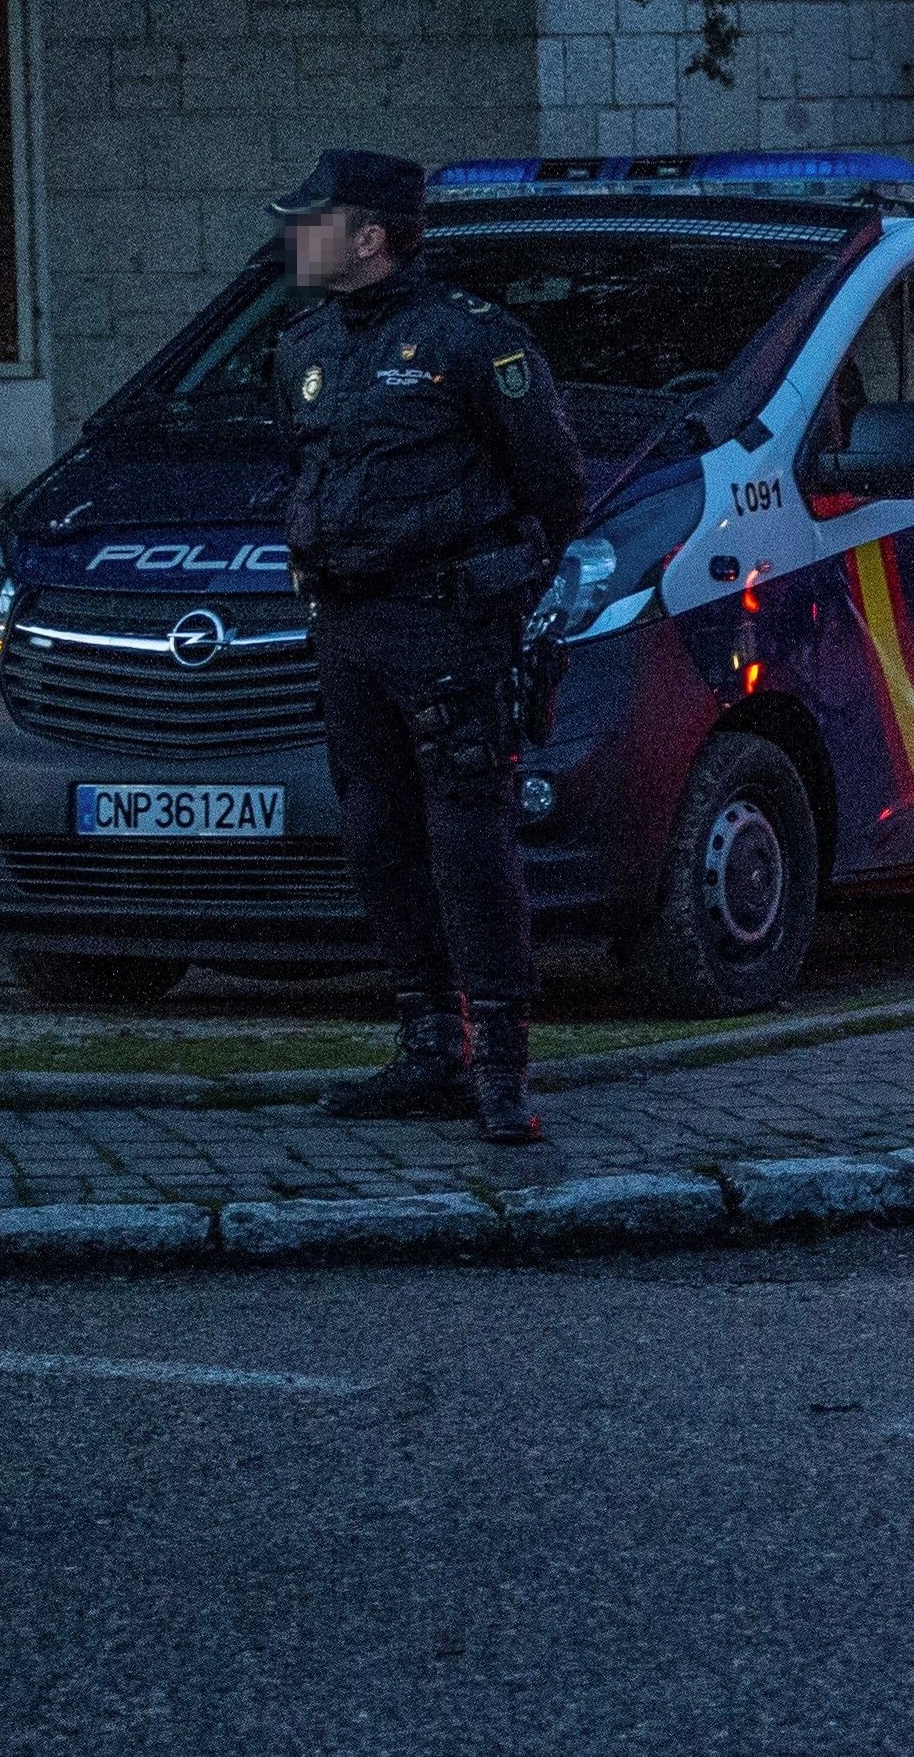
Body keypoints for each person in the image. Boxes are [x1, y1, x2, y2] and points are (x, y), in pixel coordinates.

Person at [273, 147, 587, 1147]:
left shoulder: (471, 342)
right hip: (349, 626)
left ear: (369, 236)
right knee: (375, 834)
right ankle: (426, 1046)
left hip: (447, 625)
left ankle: (500, 1065)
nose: (294, 235)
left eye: (311, 219)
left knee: (467, 838)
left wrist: (496, 591)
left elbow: (555, 488)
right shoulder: (305, 346)